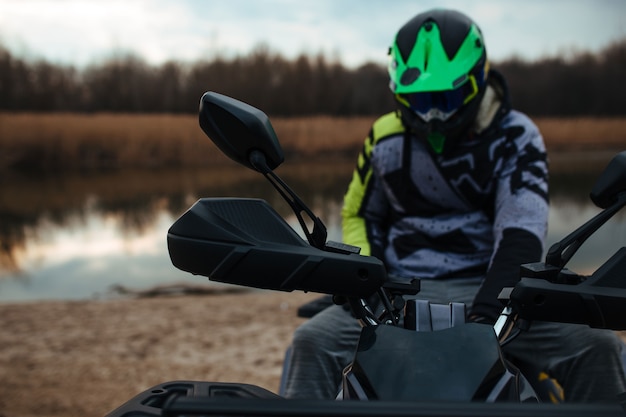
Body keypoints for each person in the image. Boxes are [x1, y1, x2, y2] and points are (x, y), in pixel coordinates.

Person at [282, 8, 626, 402]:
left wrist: (486, 314)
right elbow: (361, 213)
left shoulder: (515, 136)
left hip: (496, 292)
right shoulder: (383, 137)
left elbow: (520, 232)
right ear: (397, 91)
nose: (432, 116)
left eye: (445, 99)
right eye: (419, 100)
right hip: (394, 291)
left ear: (477, 80)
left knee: (600, 348)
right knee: (310, 342)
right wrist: (367, 280)